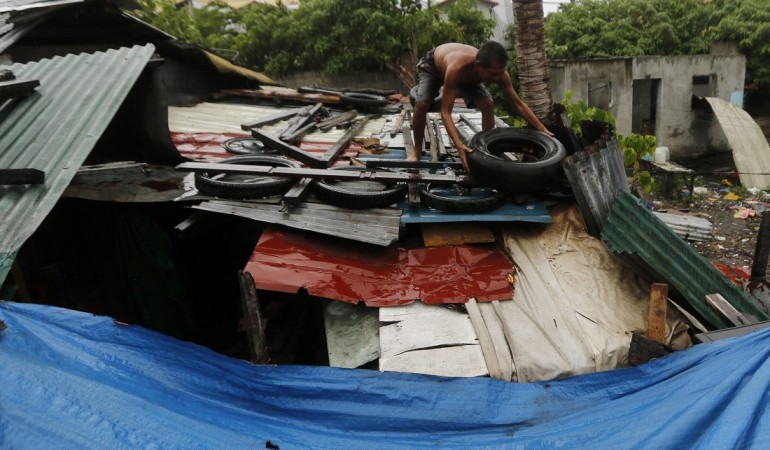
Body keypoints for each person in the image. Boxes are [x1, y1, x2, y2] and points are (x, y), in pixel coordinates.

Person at [409, 41, 553, 170]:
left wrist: (541, 128)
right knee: (422, 104)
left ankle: (487, 148)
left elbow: (518, 104)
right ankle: (416, 151)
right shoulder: (457, 69)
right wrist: (459, 145)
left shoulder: (499, 73)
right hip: (434, 65)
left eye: (500, 73)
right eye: (493, 74)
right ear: (478, 65)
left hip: (467, 75)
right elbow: (445, 112)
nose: (497, 78)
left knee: (488, 104)